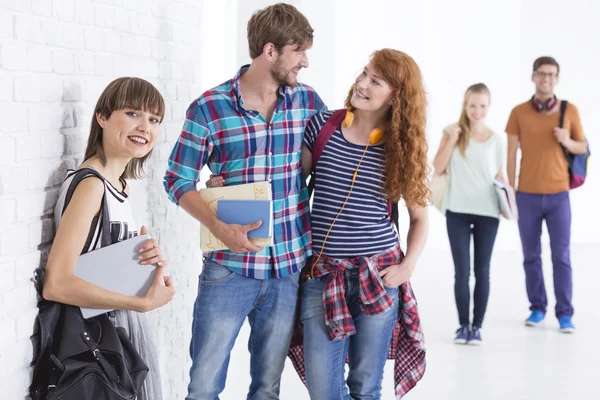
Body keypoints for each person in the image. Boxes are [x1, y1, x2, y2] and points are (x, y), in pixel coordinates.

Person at [163, 3, 326, 399]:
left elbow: (328, 157)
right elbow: (176, 178)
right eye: (298, 51)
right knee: (203, 386)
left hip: (287, 268)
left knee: (267, 388)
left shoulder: (307, 102)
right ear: (269, 51)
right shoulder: (209, 107)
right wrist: (218, 221)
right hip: (228, 269)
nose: (304, 61)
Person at [289, 48, 428, 400]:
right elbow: (288, 189)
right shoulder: (323, 127)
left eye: (375, 81)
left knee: (366, 388)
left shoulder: (401, 148)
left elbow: (420, 218)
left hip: (379, 277)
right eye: (364, 73)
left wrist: (406, 267)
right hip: (323, 274)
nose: (362, 84)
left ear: (396, 96)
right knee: (324, 392)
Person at [42, 77, 176, 400]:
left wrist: (142, 264)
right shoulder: (92, 186)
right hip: (99, 343)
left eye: (154, 119)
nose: (145, 126)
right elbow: (56, 283)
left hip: (118, 338)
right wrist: (140, 301)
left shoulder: (117, 186)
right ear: (102, 116)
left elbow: (95, 265)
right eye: (133, 113)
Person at [506, 56, 588, 333]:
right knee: (531, 255)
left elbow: (583, 147)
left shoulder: (570, 110)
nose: (546, 79)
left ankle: (565, 314)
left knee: (561, 256)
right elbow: (510, 154)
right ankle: (537, 308)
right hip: (526, 195)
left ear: (557, 78)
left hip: (558, 196)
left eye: (552, 75)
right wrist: (511, 191)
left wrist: (567, 140)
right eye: (542, 74)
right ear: (533, 77)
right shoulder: (518, 112)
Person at [432, 83, 506, 345]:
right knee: (461, 272)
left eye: (483, 106)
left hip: (488, 212)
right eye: (472, 105)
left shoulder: (497, 140)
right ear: (465, 105)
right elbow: (438, 167)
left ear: (489, 107)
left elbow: (502, 177)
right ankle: (463, 325)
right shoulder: (452, 132)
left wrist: (509, 203)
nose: (477, 110)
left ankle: (477, 327)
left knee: (482, 271)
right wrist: (452, 139)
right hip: (458, 212)